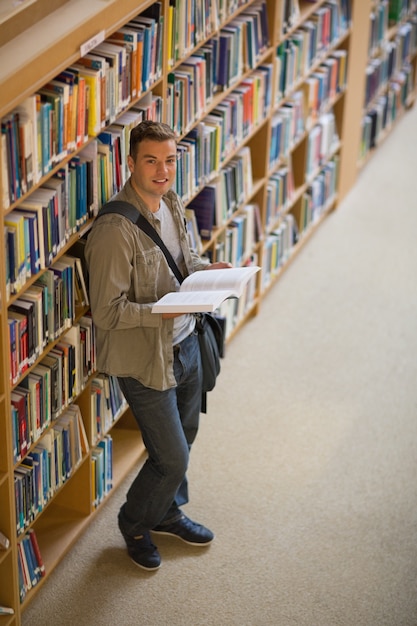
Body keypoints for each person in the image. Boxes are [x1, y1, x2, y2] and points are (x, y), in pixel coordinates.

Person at [84, 120, 231, 571]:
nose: (162, 170)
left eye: (169, 160)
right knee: (171, 456)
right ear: (130, 163)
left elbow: (183, 264)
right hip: (145, 358)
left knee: (185, 436)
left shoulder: (170, 202)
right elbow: (107, 314)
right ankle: (134, 521)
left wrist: (211, 270)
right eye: (151, 160)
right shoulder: (114, 230)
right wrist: (161, 313)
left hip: (187, 343)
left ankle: (167, 511)